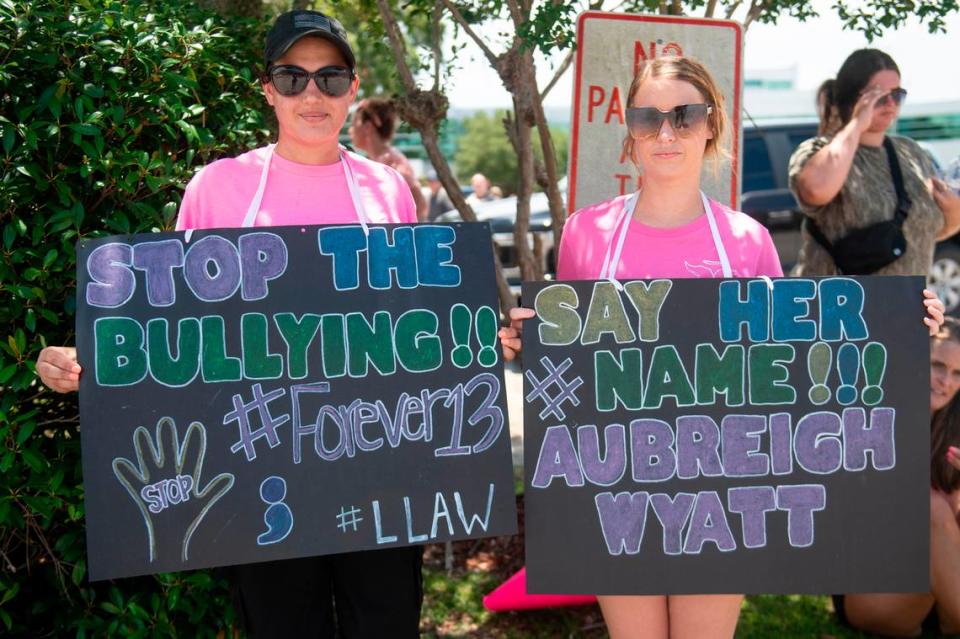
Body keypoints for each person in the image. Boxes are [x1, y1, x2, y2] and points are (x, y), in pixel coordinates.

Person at [497, 55, 946, 639]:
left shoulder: (746, 241)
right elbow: (573, 363)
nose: (665, 133)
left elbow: (794, 359)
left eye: (684, 116)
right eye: (648, 117)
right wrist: (527, 341)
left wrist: (899, 328)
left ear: (711, 124)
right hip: (616, 490)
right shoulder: (587, 233)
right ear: (629, 130)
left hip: (720, 492)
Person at [35, 10, 423, 638]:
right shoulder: (217, 189)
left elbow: (415, 325)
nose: (312, 95)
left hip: (374, 464)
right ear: (267, 89)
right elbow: (172, 330)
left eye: (330, 77)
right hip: (259, 474)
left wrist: (476, 340)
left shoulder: (388, 191)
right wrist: (87, 359)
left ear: (354, 87)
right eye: (292, 78)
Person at [834, 317, 960, 636]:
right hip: (871, 588)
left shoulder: (951, 437)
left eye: (957, 374)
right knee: (932, 508)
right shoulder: (877, 417)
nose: (945, 381)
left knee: (940, 509)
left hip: (934, 594)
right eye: (937, 365)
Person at [789, 48, 960, 276]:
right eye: (879, 96)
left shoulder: (911, 152)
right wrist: (858, 123)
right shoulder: (817, 150)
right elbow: (815, 190)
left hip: (904, 305)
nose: (890, 103)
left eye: (897, 94)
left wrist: (954, 213)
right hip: (838, 304)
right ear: (852, 99)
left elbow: (923, 231)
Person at [348, 96, 428, 221]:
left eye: (353, 124)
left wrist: (402, 236)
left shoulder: (393, 163)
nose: (349, 130)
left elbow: (420, 205)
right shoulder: (376, 161)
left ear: (368, 127)